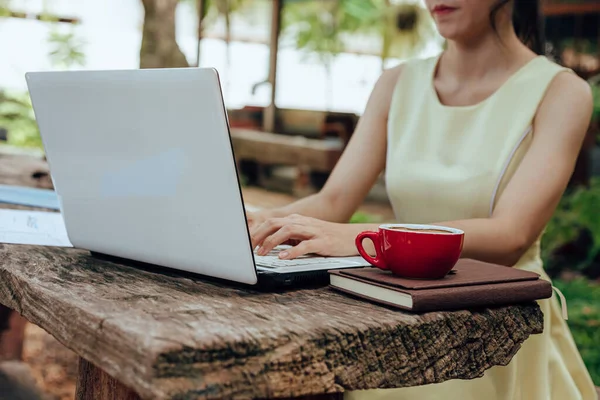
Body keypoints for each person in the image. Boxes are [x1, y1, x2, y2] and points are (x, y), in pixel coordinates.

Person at [247, 0, 597, 399]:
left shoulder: (561, 91)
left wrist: (365, 238)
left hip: (499, 329)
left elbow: (510, 235)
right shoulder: (397, 82)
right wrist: (260, 220)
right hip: (395, 322)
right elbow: (333, 200)